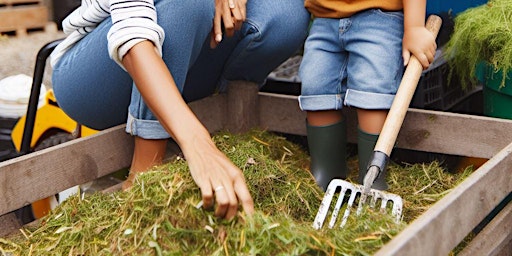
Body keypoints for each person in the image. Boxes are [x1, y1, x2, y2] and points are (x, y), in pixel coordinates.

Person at [49, 0, 310, 220]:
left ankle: (229, 129)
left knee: (286, 13)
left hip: (186, 59)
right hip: (98, 76)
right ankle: (144, 175)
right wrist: (199, 145)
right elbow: (132, 33)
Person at [298, 0, 436, 190]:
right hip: (324, 19)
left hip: (379, 19)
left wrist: (413, 26)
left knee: (371, 92)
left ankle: (372, 178)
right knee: (316, 88)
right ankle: (326, 174)